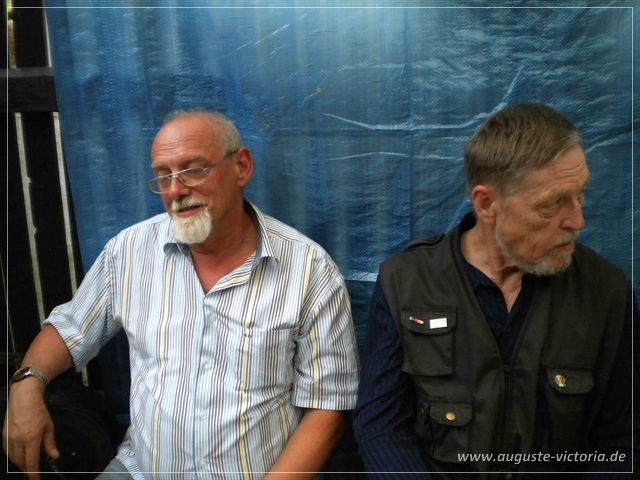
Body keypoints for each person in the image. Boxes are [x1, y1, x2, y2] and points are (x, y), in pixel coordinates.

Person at [4, 111, 360, 480]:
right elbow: (69, 330)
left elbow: (327, 408)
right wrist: (27, 383)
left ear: (241, 167)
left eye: (193, 170)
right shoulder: (129, 252)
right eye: (163, 176)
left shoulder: (308, 269)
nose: (175, 191)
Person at [353, 104, 638, 478]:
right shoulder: (406, 282)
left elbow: (624, 439)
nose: (577, 220)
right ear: (487, 204)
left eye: (580, 194)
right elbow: (381, 426)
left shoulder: (605, 292)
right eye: (552, 205)